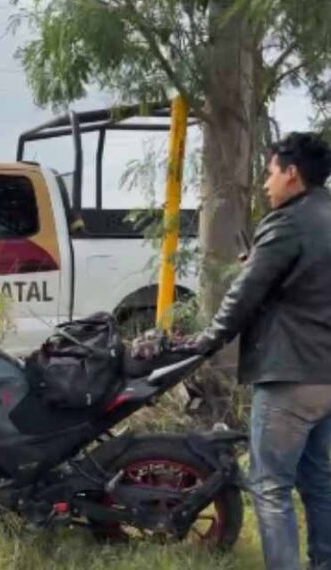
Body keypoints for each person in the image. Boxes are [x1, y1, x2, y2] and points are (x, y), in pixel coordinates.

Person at [181, 132, 331, 570]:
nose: (266, 184)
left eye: (269, 173)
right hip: (326, 376)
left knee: (270, 486)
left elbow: (246, 293)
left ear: (291, 173)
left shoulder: (288, 223)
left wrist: (207, 340)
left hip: (290, 376)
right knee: (317, 480)